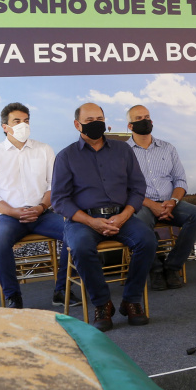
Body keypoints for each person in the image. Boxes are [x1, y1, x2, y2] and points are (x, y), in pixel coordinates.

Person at [51, 103, 157, 332]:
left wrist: (124, 215)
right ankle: (102, 304)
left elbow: (138, 188)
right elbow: (59, 199)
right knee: (79, 246)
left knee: (147, 240)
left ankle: (131, 300)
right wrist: (91, 222)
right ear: (77, 124)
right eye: (89, 120)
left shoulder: (123, 150)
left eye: (99, 118)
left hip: (122, 216)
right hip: (83, 221)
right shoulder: (66, 156)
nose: (96, 123)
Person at [0, 102, 80, 309]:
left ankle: (62, 290)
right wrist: (13, 211)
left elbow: (55, 185)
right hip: (9, 216)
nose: (22, 125)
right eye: (16, 121)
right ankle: (13, 296)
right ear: (4, 126)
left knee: (75, 232)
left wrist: (41, 207)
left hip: (41, 213)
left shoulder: (44, 150)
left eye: (26, 121)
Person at [126, 105, 196, 291]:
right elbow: (122, 188)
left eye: (147, 117)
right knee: (137, 223)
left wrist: (173, 202)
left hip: (170, 202)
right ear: (130, 126)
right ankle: (155, 270)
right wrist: (152, 205)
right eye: (138, 118)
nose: (144, 121)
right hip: (142, 204)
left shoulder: (168, 148)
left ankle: (171, 267)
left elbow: (180, 180)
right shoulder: (123, 152)